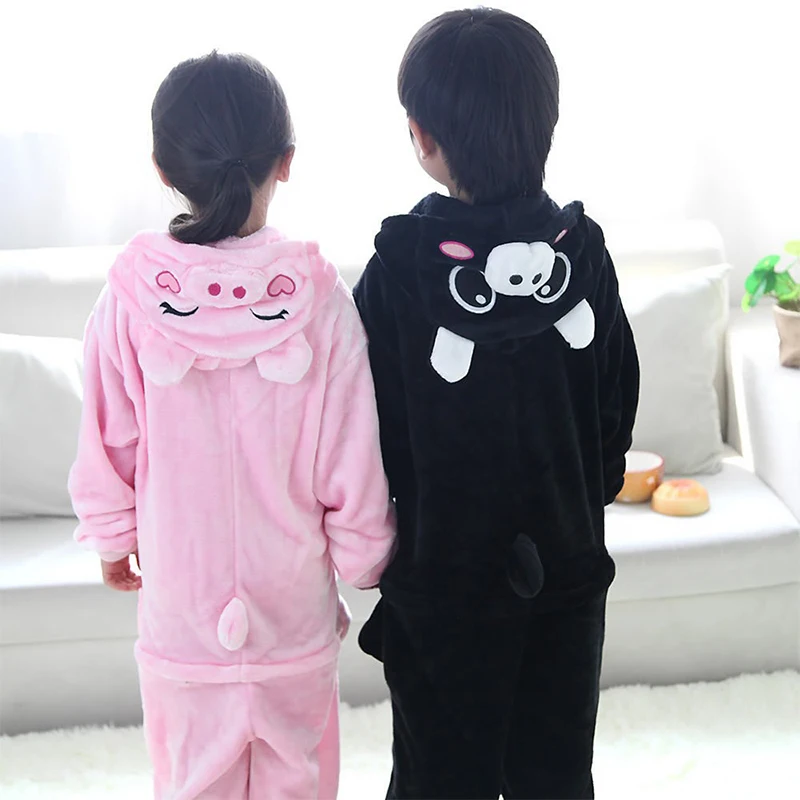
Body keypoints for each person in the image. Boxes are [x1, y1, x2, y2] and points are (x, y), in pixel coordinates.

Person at [69, 51, 395, 800]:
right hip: (292, 615)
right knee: (299, 781)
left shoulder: (128, 301)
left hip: (182, 617)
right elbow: (351, 458)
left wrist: (115, 540)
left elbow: (108, 443)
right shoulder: (319, 299)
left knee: (190, 783)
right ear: (286, 162)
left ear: (162, 168)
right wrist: (364, 559)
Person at [354, 9, 640, 799]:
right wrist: (587, 491)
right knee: (555, 775)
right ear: (548, 121)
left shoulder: (401, 271)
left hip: (442, 580)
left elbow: (368, 426)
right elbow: (615, 396)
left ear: (421, 136)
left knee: (438, 780)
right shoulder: (582, 257)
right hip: (567, 566)